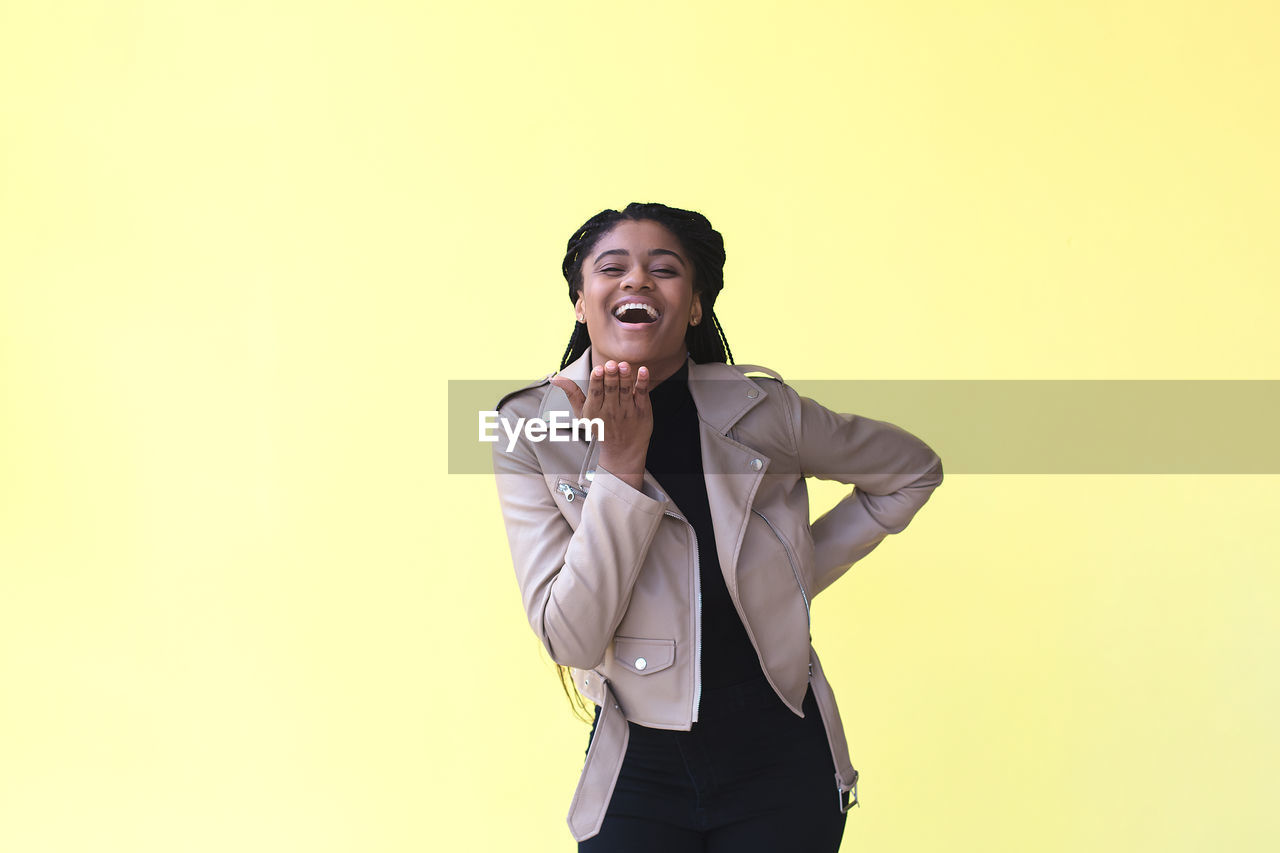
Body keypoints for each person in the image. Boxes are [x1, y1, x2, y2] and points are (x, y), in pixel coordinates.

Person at [491, 202, 943, 851]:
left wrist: (792, 574)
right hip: (637, 765)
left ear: (696, 305)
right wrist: (620, 469)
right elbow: (571, 636)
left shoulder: (767, 413)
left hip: (781, 758)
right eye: (612, 267)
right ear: (580, 300)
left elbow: (911, 471)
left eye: (664, 269)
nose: (637, 281)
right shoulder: (529, 430)